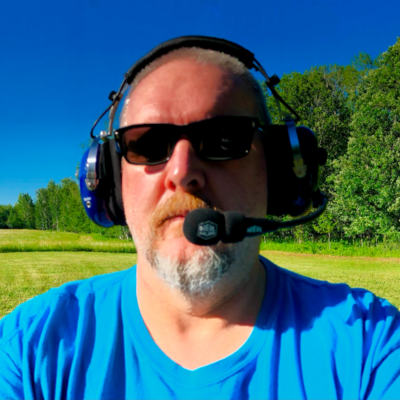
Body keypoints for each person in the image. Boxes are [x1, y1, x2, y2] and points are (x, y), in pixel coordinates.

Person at [1, 40, 400, 400]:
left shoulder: (369, 344)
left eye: (225, 138)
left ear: (280, 171)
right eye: (148, 144)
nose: (182, 171)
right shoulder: (29, 348)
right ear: (111, 182)